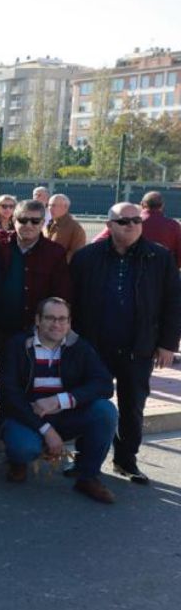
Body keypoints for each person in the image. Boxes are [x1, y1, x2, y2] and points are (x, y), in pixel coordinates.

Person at [69, 203, 181, 485]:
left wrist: (168, 344)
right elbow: (72, 301)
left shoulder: (160, 257)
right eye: (123, 221)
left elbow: (173, 303)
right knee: (91, 404)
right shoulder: (86, 258)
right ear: (109, 225)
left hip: (138, 346)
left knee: (133, 406)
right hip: (94, 347)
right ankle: (85, 460)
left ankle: (126, 461)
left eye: (135, 220)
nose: (131, 225)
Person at [0, 298, 118, 504]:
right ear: (37, 320)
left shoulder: (79, 346)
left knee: (105, 411)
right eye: (50, 318)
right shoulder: (17, 345)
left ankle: (87, 477)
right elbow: (9, 395)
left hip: (65, 414)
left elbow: (104, 384)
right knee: (24, 447)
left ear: (69, 322)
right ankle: (18, 461)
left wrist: (61, 400)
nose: (57, 324)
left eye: (62, 319)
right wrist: (46, 431)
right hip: (25, 416)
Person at [0, 199, 72, 358]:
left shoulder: (54, 253)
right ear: (14, 220)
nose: (29, 225)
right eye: (23, 220)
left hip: (33, 331)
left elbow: (61, 293)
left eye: (35, 221)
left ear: (42, 223)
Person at [93, 191, 181, 268]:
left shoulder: (126, 222)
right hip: (162, 272)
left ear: (142, 204)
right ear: (162, 205)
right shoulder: (174, 226)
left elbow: (97, 242)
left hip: (128, 270)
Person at [44, 194, 86, 262]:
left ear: (65, 207)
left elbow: (76, 254)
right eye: (49, 205)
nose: (50, 208)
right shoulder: (47, 224)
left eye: (53, 205)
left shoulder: (75, 228)